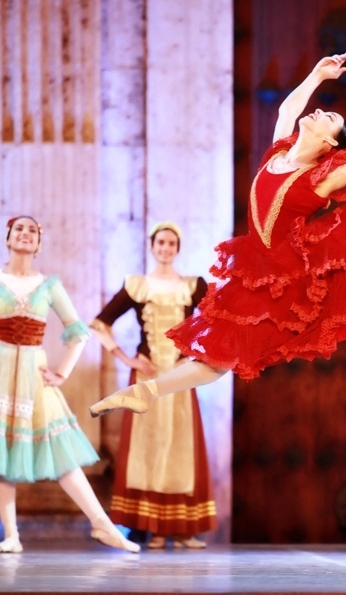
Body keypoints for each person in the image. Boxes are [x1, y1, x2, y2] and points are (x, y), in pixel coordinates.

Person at [89, 51, 346, 416]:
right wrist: (316, 77)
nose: (321, 113)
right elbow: (288, 109)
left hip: (295, 274)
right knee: (218, 355)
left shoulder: (321, 177)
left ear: (329, 143)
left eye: (330, 120)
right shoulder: (278, 153)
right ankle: (147, 392)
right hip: (256, 268)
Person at [0, 216, 139, 554]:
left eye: (32, 230)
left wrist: (61, 373)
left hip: (34, 372)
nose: (25, 234)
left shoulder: (48, 286)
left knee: (61, 454)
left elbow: (78, 333)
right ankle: (12, 535)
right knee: (2, 455)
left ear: (39, 243)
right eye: (19, 229)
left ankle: (102, 525)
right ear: (7, 238)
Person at [90, 222, 217, 549]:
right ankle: (155, 527)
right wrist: (127, 359)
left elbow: (217, 319)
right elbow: (100, 323)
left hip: (179, 377)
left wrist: (195, 355)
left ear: (177, 248)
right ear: (152, 245)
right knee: (150, 449)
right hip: (146, 377)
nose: (165, 247)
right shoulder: (137, 286)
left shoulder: (193, 286)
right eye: (161, 242)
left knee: (179, 447)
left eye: (171, 243)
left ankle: (182, 528)